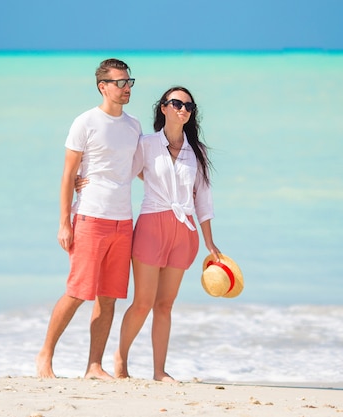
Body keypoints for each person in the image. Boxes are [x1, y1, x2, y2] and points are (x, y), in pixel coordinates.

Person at [36, 58, 142, 379]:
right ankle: (45, 356)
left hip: (123, 222)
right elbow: (68, 175)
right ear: (103, 87)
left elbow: (135, 170)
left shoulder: (134, 126)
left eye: (129, 82)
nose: (126, 88)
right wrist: (64, 222)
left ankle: (93, 366)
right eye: (120, 83)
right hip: (90, 219)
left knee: (108, 298)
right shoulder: (85, 122)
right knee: (78, 292)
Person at [117, 86, 220, 382]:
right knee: (143, 302)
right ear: (163, 108)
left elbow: (203, 198)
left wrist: (210, 241)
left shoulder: (196, 152)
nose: (183, 109)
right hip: (151, 225)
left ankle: (159, 371)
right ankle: (120, 361)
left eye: (189, 105)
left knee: (165, 305)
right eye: (176, 103)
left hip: (184, 232)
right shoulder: (146, 144)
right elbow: (126, 172)